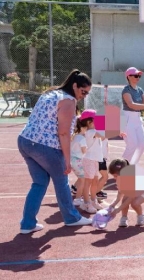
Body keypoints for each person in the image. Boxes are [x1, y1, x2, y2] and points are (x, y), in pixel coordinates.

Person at [17, 69, 93, 234]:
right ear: (74, 85)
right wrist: (67, 159)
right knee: (61, 181)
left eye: (87, 93)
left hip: (25, 141)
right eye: (83, 91)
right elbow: (63, 133)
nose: (84, 95)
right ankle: (72, 217)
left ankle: (27, 223)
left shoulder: (51, 93)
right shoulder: (68, 101)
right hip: (44, 145)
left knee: (39, 183)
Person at [108, 158, 144, 227]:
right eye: (113, 176)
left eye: (116, 176)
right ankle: (124, 218)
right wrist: (113, 204)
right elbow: (120, 194)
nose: (114, 178)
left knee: (134, 204)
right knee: (124, 200)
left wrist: (118, 210)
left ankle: (141, 216)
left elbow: (131, 198)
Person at [70, 117, 88, 207]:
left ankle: (76, 195)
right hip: (78, 161)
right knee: (83, 180)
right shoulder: (82, 139)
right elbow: (84, 151)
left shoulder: (74, 136)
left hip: (72, 161)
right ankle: (77, 199)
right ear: (83, 128)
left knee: (81, 179)